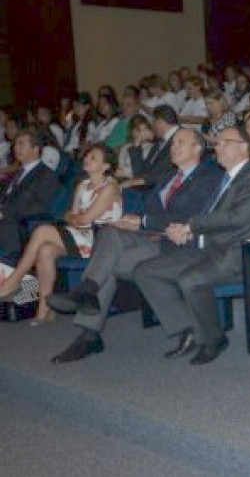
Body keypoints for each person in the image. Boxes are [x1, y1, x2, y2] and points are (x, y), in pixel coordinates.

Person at [46, 128, 223, 363]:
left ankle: (90, 328)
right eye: (172, 143)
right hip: (155, 239)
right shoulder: (169, 176)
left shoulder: (209, 176)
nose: (173, 147)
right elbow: (147, 209)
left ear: (198, 149)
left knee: (106, 262)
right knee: (109, 233)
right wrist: (133, 219)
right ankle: (87, 295)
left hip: (182, 245)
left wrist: (144, 221)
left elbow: (190, 215)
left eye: (181, 142)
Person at [133, 125, 250, 365]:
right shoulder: (226, 179)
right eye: (216, 143)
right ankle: (188, 328)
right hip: (207, 248)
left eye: (223, 142)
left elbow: (237, 218)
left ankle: (213, 338)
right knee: (145, 271)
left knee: (190, 279)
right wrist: (187, 232)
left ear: (243, 147)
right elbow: (209, 218)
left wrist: (191, 227)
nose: (217, 146)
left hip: (236, 254)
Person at [0, 145, 122, 322]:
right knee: (46, 250)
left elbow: (86, 219)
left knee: (42, 231)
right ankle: (45, 309)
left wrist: (76, 218)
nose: (87, 159)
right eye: (87, 155)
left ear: (106, 166)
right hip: (79, 235)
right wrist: (75, 218)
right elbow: (69, 216)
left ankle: (14, 281)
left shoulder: (110, 188)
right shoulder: (83, 185)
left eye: (93, 157)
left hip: (101, 239)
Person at [0, 128, 61, 254]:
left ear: (35, 149)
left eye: (21, 144)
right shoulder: (20, 173)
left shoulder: (46, 176)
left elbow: (39, 207)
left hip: (19, 227)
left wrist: (4, 213)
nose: (16, 148)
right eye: (16, 144)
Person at [121, 105, 181, 189]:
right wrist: (137, 145)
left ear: (159, 122)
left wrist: (143, 181)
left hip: (161, 189)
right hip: (147, 187)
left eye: (153, 122)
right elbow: (139, 173)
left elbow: (166, 172)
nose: (152, 126)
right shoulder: (160, 142)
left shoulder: (181, 138)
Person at [114, 115, 154, 181]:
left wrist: (124, 172)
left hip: (139, 180)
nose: (141, 133)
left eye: (145, 129)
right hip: (123, 179)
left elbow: (143, 170)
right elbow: (120, 168)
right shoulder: (125, 147)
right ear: (131, 132)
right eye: (138, 130)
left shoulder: (152, 147)